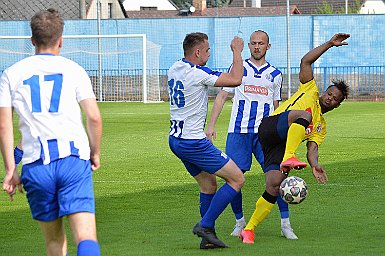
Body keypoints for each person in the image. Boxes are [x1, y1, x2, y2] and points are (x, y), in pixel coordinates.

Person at [0, 8, 103, 256]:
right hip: (72, 161)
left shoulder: (11, 74)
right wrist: (95, 153)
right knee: (86, 238)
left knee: (55, 243)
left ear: (32, 40)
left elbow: (3, 125)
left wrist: (11, 170)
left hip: (36, 166)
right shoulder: (74, 69)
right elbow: (94, 117)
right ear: (61, 39)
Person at [240, 33, 350, 244]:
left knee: (274, 184)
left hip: (278, 145)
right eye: (329, 93)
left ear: (337, 105)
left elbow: (312, 149)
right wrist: (329, 44)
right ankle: (289, 156)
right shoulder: (310, 89)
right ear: (324, 91)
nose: (330, 98)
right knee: (304, 115)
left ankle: (249, 229)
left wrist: (315, 165)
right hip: (271, 126)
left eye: (335, 99)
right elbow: (305, 61)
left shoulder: (321, 127)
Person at [205, 30, 298, 240]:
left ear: (268, 46)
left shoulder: (275, 74)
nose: (257, 47)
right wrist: (211, 125)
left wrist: (283, 133)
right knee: (232, 178)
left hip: (265, 135)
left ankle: (285, 223)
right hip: (238, 131)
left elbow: (277, 108)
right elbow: (221, 97)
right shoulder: (239, 68)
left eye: (261, 43)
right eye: (254, 43)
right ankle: (240, 222)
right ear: (249, 45)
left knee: (278, 177)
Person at [168, 32, 245, 249]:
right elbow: (235, 80)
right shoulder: (198, 73)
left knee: (209, 184)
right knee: (237, 179)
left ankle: (207, 240)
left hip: (176, 140)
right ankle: (206, 225)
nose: (209, 53)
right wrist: (237, 51)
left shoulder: (175, 68)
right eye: (208, 49)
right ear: (198, 52)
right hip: (193, 142)